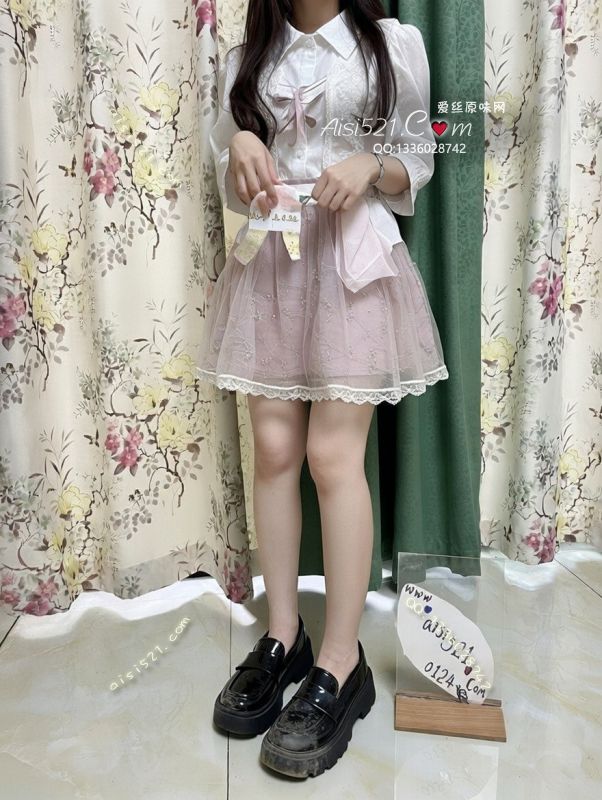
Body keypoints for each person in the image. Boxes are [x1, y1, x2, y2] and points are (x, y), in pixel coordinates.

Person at [198, 0, 449, 779]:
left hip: (353, 262)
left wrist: (371, 165)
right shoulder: (248, 55)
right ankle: (284, 635)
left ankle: (342, 663)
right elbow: (231, 170)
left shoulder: (390, 46)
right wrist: (241, 143)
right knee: (273, 448)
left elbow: (420, 156)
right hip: (274, 262)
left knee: (333, 459)